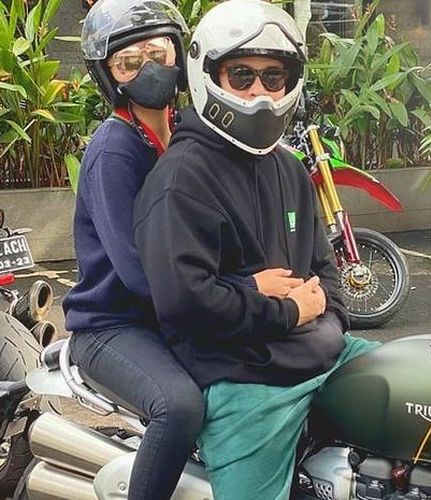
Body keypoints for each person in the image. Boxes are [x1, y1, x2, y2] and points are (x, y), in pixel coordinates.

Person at [132, 1, 379, 498]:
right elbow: (185, 302)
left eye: (273, 77)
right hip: (247, 381)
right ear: (209, 76)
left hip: (325, 353)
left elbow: (324, 268)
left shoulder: (289, 168)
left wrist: (329, 321)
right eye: (241, 75)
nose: (259, 92)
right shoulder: (180, 179)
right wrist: (288, 311)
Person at [62, 1, 204, 499]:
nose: (149, 69)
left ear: (179, 55)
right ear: (109, 75)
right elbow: (138, 272)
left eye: (157, 53)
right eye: (129, 62)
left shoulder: (189, 132)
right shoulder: (115, 150)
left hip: (172, 314)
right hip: (112, 325)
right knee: (179, 407)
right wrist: (231, 296)